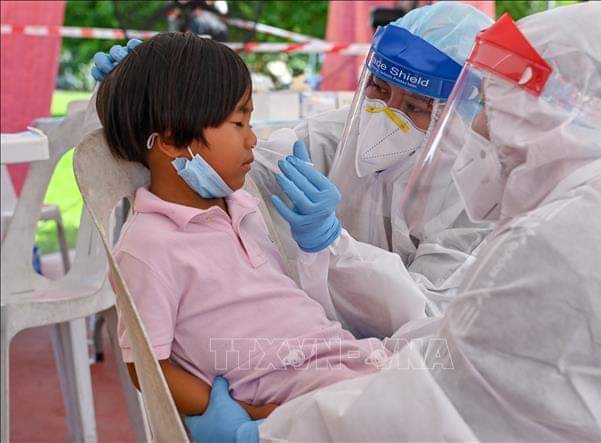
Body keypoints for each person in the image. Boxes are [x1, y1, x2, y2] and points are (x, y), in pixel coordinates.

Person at [188, 2, 601, 441]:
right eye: (378, 89)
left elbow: (436, 382)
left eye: (495, 106)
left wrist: (268, 436)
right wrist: (177, 124)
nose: (483, 126)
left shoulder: (551, 229)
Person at [96, 31, 426, 442]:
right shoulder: (149, 247)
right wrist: (242, 416)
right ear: (171, 141)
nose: (252, 138)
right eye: (238, 123)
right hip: (299, 396)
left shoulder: (242, 206)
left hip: (346, 361)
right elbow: (145, 364)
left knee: (445, 387)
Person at [92, 2, 495, 319]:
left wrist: (334, 247)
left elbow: (429, 314)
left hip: (416, 368)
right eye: (378, 87)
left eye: (415, 106)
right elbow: (232, 164)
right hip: (314, 344)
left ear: (460, 113)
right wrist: (145, 98)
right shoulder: (336, 137)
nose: (386, 112)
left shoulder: (476, 191)